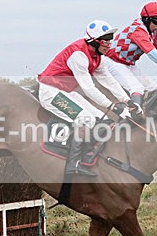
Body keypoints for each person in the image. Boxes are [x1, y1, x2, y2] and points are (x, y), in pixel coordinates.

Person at [38, 20, 134, 177]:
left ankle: (88, 155)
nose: (109, 44)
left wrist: (126, 100)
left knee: (100, 117)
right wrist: (113, 106)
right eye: (105, 40)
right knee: (85, 119)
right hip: (50, 92)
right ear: (94, 41)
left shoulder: (98, 57)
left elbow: (109, 81)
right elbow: (89, 88)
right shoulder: (78, 55)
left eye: (110, 39)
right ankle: (73, 164)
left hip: (65, 92)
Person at [103, 1, 157, 110]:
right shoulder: (138, 31)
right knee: (137, 88)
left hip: (127, 64)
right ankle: (134, 114)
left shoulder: (151, 31)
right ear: (146, 19)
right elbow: (153, 54)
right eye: (156, 21)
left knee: (155, 89)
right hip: (112, 62)